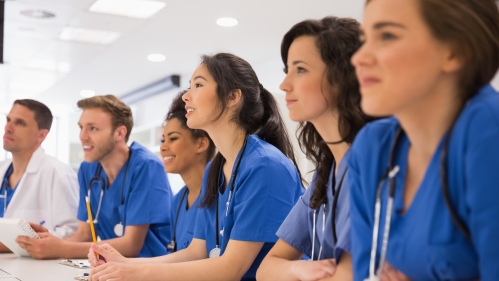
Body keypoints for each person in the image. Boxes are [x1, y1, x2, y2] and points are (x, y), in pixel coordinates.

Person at [87, 53, 304, 281]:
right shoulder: (215, 169)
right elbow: (195, 252)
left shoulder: (265, 165)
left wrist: (135, 272)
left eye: (198, 85)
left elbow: (232, 268)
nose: (186, 97)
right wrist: (125, 263)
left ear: (232, 97)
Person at [348, 0, 499, 280]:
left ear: (455, 50)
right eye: (364, 39)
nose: (359, 58)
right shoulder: (372, 148)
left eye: (387, 36)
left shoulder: (488, 129)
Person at [257, 17, 371, 281]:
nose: (284, 85)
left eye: (300, 69)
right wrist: (300, 268)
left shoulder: (370, 165)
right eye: (287, 70)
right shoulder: (326, 172)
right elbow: (267, 269)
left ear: (342, 76)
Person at [16, 95, 173, 259]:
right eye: (81, 127)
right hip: (113, 267)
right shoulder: (88, 169)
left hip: (151, 267)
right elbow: (85, 233)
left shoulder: (146, 166)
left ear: (119, 133)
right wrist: (47, 245)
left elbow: (131, 245)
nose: (82, 136)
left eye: (93, 128)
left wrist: (61, 249)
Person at [0, 99, 79, 253]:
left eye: (20, 123)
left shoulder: (57, 172)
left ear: (41, 135)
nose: (8, 128)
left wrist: (15, 243)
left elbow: (73, 232)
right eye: (8, 120)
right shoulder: (2, 169)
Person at [161, 91, 216, 253]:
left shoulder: (218, 196)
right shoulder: (177, 201)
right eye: (163, 140)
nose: (163, 147)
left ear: (201, 144)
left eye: (173, 138)